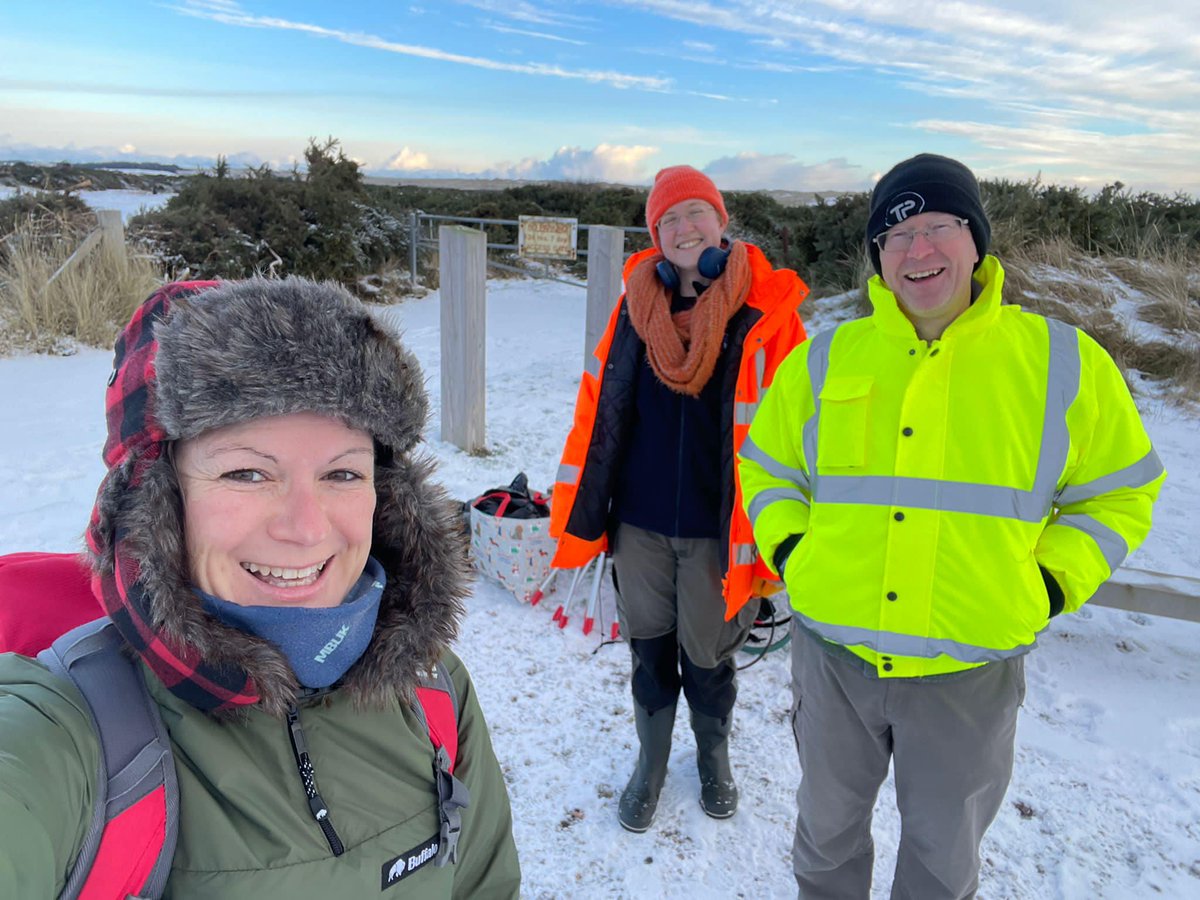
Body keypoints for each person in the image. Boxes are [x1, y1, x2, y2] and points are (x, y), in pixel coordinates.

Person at [0, 278, 521, 897]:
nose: (305, 529)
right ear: (161, 506)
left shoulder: (433, 690)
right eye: (246, 472)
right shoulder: (72, 734)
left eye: (342, 472)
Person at [738, 153, 1165, 898]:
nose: (919, 251)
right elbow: (767, 469)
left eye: (938, 227)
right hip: (834, 656)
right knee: (826, 839)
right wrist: (794, 550)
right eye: (896, 236)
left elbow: (1120, 494)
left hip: (969, 671)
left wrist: (1048, 583)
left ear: (977, 241)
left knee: (942, 861)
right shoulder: (825, 358)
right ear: (876, 256)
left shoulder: (1063, 362)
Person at [549, 166, 809, 832]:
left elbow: (802, 433)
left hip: (721, 530)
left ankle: (713, 757)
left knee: (708, 653)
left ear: (722, 223)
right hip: (637, 522)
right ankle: (652, 762)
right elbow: (597, 411)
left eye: (698, 213)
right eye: (670, 220)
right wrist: (579, 508)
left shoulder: (768, 316)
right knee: (648, 647)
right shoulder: (634, 309)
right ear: (655, 238)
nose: (686, 228)